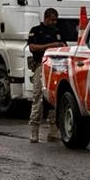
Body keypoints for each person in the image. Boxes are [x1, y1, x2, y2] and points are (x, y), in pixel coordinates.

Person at [26, 8, 69, 142]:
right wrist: (51, 46)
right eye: (52, 20)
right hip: (41, 65)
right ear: (45, 18)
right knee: (37, 97)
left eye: (55, 20)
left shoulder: (58, 31)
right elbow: (32, 47)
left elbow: (64, 46)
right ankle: (34, 131)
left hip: (55, 67)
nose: (54, 22)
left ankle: (53, 130)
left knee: (53, 98)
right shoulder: (37, 30)